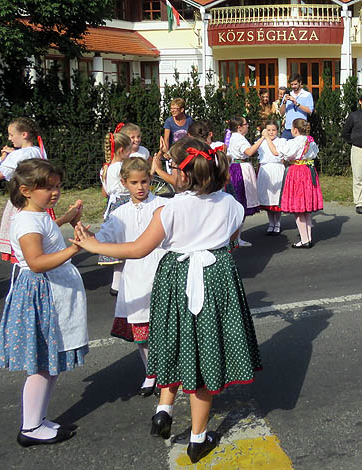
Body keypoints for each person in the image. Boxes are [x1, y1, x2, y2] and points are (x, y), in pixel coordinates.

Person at [71, 137, 261, 464]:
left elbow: (138, 249)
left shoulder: (169, 208)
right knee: (205, 350)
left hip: (176, 278)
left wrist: (94, 246)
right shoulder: (233, 205)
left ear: (182, 174)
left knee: (174, 339)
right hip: (217, 278)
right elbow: (228, 241)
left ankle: (165, 410)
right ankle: (198, 436)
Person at [0, 158, 85, 447]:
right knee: (43, 365)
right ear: (26, 189)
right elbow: (37, 262)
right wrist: (75, 248)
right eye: (48, 187)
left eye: (57, 186)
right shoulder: (28, 220)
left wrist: (67, 217)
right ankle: (31, 427)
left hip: (47, 293)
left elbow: (44, 229)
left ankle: (38, 419)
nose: (55, 192)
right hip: (43, 295)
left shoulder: (36, 213)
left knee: (48, 364)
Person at [93, 157, 167, 397]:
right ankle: (150, 373)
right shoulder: (120, 213)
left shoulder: (164, 206)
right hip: (135, 277)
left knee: (163, 329)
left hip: (162, 273)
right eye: (134, 182)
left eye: (145, 181)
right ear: (124, 183)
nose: (140, 187)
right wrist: (85, 234)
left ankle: (165, 374)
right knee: (142, 332)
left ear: (151, 180)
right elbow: (103, 238)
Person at [0, 117, 54, 262]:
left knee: (23, 240)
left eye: (12, 135)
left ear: (24, 134)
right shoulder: (37, 151)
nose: (9, 138)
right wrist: (10, 155)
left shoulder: (19, 154)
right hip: (38, 200)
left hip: (22, 201)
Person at [278, 118, 323, 248]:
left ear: (295, 130)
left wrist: (281, 143)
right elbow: (314, 153)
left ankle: (304, 240)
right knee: (306, 209)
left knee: (299, 208)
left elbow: (286, 154)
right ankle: (307, 237)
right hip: (308, 172)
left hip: (297, 172)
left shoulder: (295, 142)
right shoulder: (311, 141)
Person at [99, 128, 133, 294]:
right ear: (121, 150)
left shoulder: (105, 167)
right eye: (129, 149)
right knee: (128, 243)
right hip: (123, 205)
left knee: (121, 247)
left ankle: (116, 284)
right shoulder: (119, 167)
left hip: (113, 206)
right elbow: (125, 187)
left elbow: (105, 191)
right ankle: (120, 284)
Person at [227, 116, 265, 246]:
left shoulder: (235, 137)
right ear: (239, 127)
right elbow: (249, 152)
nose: (248, 126)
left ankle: (236, 237)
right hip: (240, 169)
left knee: (240, 201)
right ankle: (236, 238)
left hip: (238, 167)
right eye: (245, 124)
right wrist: (262, 138)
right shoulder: (238, 138)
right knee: (241, 201)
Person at [257, 120, 286, 235]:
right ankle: (271, 223)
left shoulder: (281, 141)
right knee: (267, 197)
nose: (271, 132)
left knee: (276, 197)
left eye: (273, 130)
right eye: (268, 130)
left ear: (277, 131)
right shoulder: (261, 142)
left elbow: (278, 154)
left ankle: (277, 223)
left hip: (277, 169)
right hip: (266, 170)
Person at [279, 74, 314, 140]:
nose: (293, 86)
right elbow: (281, 113)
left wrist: (296, 103)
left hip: (301, 130)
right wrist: (284, 102)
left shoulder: (307, 95)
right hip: (288, 129)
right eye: (291, 85)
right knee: (283, 149)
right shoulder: (287, 95)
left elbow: (309, 111)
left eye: (295, 84)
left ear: (300, 83)